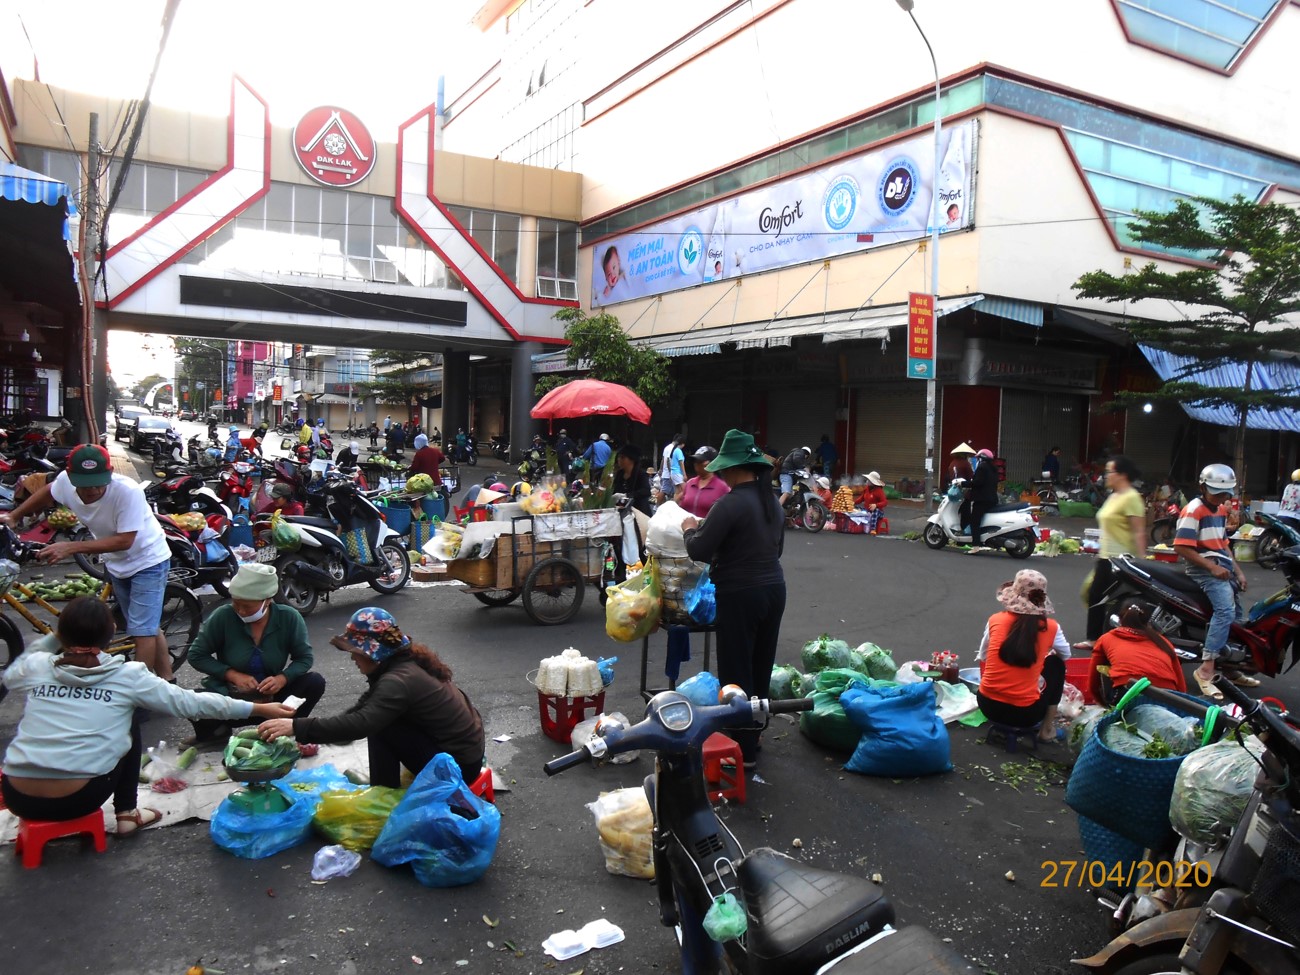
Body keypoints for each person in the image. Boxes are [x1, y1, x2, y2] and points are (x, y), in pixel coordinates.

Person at [1, 597, 294, 832]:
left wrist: (54, 639)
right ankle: (127, 814)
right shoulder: (127, 676)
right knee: (129, 722)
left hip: (17, 797)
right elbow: (191, 703)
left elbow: (10, 676)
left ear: (61, 634)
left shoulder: (39, 666)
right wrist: (258, 707)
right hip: (78, 799)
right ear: (111, 635)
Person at [257, 607, 485, 788]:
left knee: (381, 726)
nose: (353, 659)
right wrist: (308, 732)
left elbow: (361, 723)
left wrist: (297, 726)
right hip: (466, 754)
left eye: (355, 653)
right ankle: (384, 786)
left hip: (460, 768)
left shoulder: (398, 680)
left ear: (373, 652)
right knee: (380, 719)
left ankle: (383, 791)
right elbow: (362, 708)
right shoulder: (402, 663)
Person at [0, 445, 174, 680]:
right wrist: (14, 516)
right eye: (84, 483)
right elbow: (49, 490)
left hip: (147, 559)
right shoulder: (65, 483)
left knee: (141, 632)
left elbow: (125, 540)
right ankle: (168, 680)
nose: (91, 489)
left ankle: (135, 696)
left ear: (110, 473)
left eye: (98, 482)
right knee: (146, 627)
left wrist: (70, 547)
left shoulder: (127, 491)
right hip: (116, 562)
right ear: (71, 477)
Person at [680, 429, 786, 766]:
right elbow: (777, 549)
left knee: (737, 671)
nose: (720, 473)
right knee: (760, 665)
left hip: (740, 593)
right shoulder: (772, 504)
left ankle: (743, 750)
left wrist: (687, 528)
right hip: (773, 591)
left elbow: (699, 549)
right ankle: (753, 734)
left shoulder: (730, 503)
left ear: (735, 468)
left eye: (724, 467)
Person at [184, 563, 326, 744]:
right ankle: (215, 733)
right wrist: (232, 675)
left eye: (247, 606)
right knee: (191, 699)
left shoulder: (289, 617)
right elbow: (196, 655)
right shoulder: (223, 616)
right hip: (231, 701)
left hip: (273, 702)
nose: (240, 610)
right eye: (236, 604)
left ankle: (284, 728)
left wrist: (282, 678)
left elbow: (304, 658)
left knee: (314, 682)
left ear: (267, 600)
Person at [1175, 464, 1252, 700]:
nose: (1222, 497)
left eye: (1226, 493)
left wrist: (1238, 572)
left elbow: (1223, 545)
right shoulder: (1193, 510)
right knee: (1225, 613)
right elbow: (1181, 547)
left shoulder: (1220, 511)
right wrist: (1212, 567)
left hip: (1222, 569)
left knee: (1239, 619)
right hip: (1203, 570)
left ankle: (1228, 668)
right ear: (1202, 487)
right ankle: (1205, 670)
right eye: (1217, 493)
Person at [975, 569, 1071, 740]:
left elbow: (983, 656)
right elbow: (1065, 655)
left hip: (987, 705)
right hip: (1026, 714)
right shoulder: (1051, 627)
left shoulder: (995, 620)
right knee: (1056, 664)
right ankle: (1047, 730)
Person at [1084, 455, 1147, 640]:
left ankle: (1105, 638)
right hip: (1105, 556)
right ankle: (1097, 638)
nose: (1106, 475)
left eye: (1109, 471)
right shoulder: (1113, 496)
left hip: (1122, 559)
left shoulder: (1132, 497)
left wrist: (1141, 561)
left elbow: (1139, 531)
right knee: (1094, 595)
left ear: (1122, 475)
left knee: (1107, 598)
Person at [1087, 597, 1187, 705]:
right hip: (1167, 696)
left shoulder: (1107, 638)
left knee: (1107, 668)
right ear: (1148, 621)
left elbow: (1094, 681)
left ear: (1120, 619)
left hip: (1128, 694)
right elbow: (1181, 686)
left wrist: (1100, 702)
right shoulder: (1163, 642)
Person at [679, 445, 730, 517]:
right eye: (695, 461)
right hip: (687, 527)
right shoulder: (690, 484)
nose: (696, 464)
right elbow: (681, 506)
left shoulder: (722, 487)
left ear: (712, 463)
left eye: (700, 461)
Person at [967, 447, 1000, 553]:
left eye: (978, 458)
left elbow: (977, 482)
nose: (977, 460)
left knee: (974, 522)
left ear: (982, 458)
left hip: (982, 500)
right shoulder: (993, 468)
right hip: (992, 499)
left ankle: (976, 545)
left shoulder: (982, 467)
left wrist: (963, 484)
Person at [611, 444, 653, 516]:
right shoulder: (620, 474)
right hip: (623, 511)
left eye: (622, 457)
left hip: (639, 511)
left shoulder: (640, 474)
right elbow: (615, 490)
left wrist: (626, 495)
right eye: (619, 457)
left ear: (632, 460)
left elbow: (646, 491)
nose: (619, 460)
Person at [659, 434, 685, 501]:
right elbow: (668, 460)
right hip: (669, 473)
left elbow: (663, 459)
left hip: (668, 473)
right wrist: (670, 473)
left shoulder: (667, 447)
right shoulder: (674, 449)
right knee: (665, 491)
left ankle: (675, 505)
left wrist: (661, 469)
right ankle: (657, 505)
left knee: (676, 491)